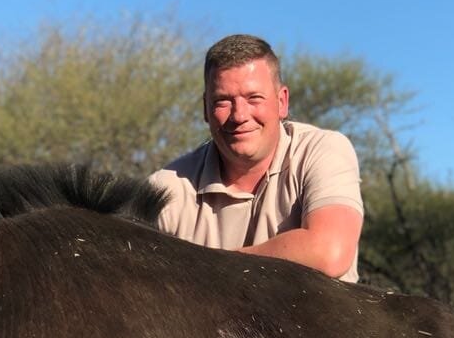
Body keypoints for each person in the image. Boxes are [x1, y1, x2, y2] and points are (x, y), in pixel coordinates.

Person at [150, 34, 364, 281]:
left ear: (282, 102)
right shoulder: (165, 189)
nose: (239, 115)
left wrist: (209, 269)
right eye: (223, 101)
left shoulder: (323, 150)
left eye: (254, 98)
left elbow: (330, 252)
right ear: (205, 109)